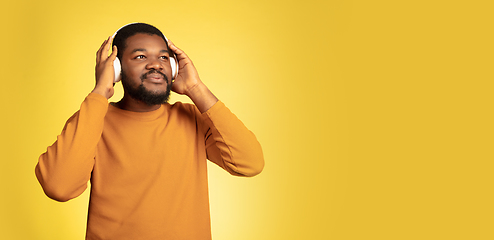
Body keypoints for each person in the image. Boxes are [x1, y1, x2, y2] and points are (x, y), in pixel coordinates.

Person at [35, 23, 264, 240]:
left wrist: (196, 88)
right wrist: (100, 92)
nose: (156, 64)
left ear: (174, 67)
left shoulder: (192, 118)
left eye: (164, 57)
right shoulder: (92, 120)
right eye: (141, 56)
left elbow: (249, 162)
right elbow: (59, 186)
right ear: (116, 68)